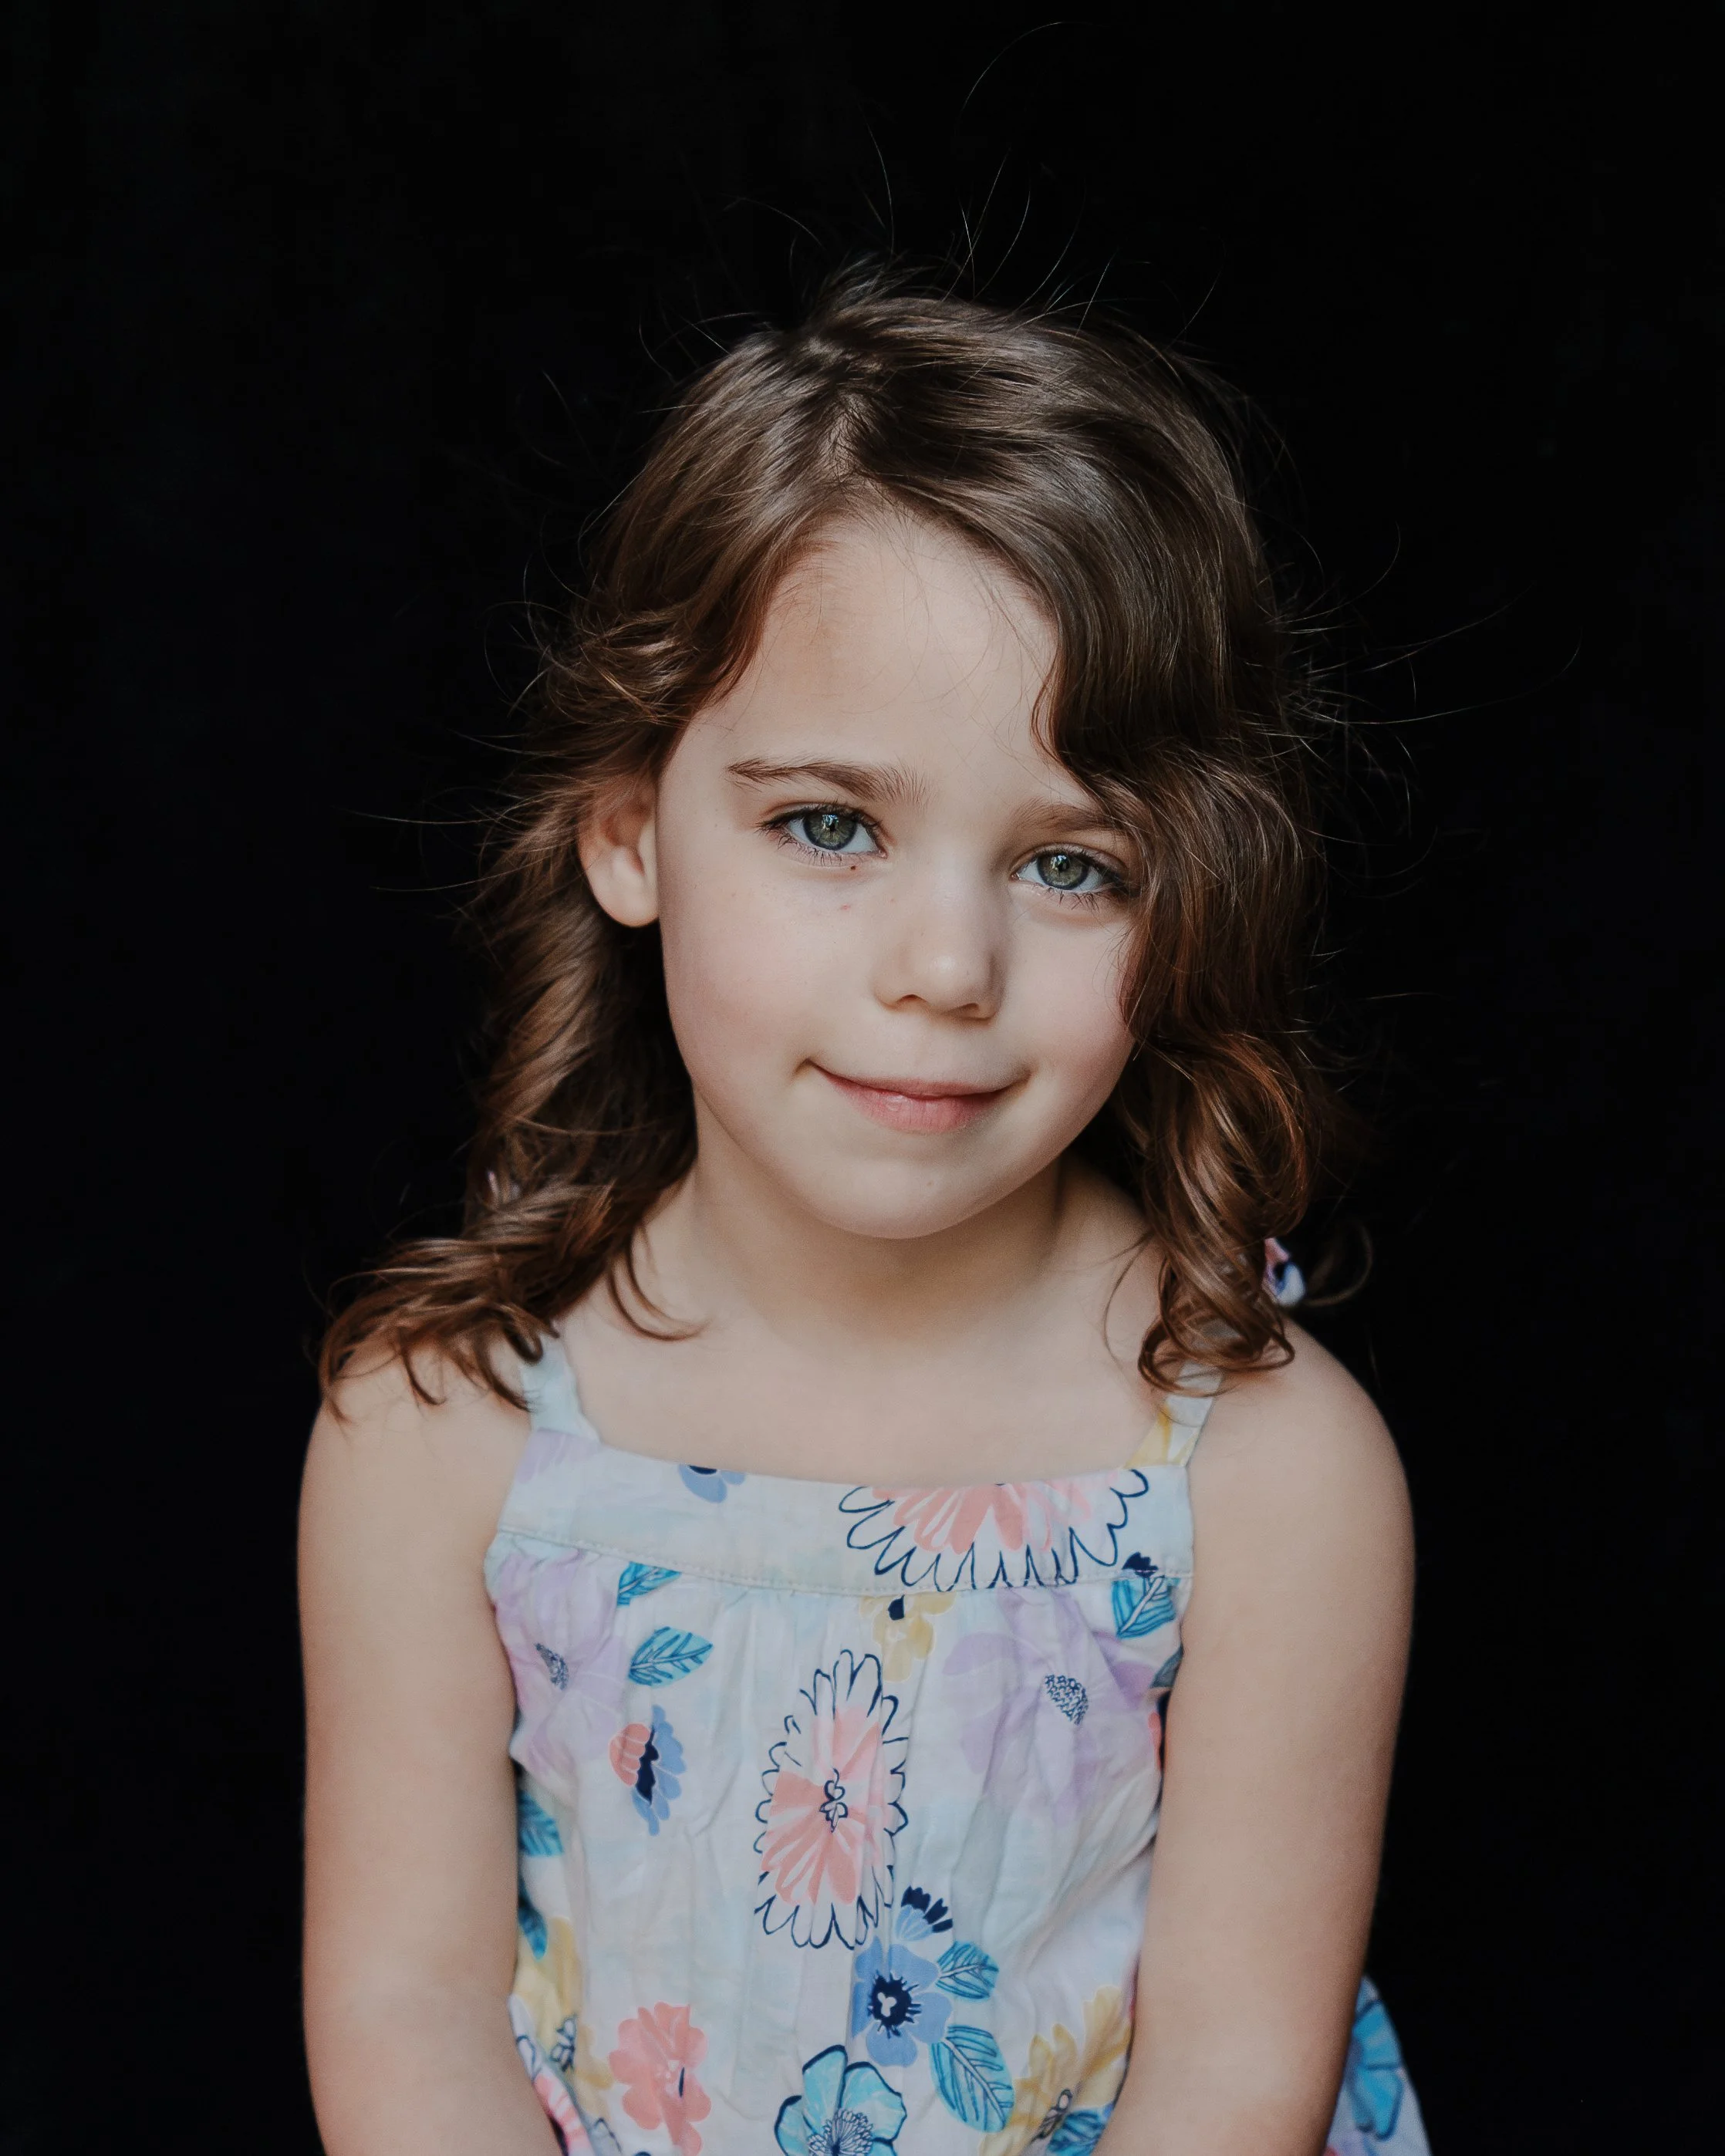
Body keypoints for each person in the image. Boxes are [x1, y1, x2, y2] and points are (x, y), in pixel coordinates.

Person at [299, 268, 1429, 2156]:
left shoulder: (1263, 1463)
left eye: (1071, 863)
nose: (941, 962)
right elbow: (405, 2010)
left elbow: (1235, 2078)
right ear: (629, 831)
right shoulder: (447, 1420)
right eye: (828, 823)